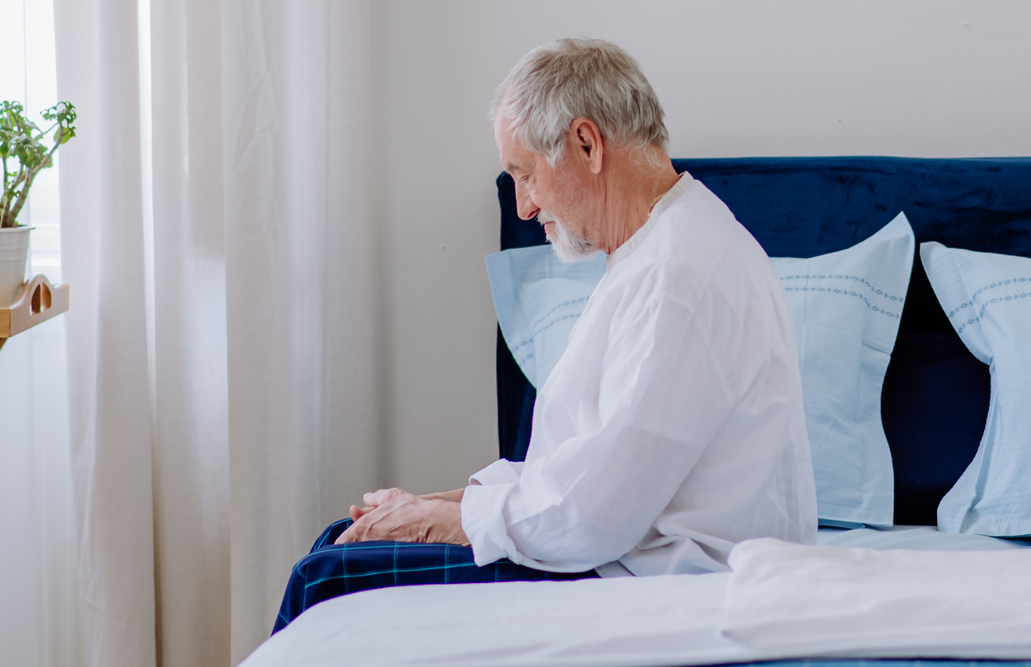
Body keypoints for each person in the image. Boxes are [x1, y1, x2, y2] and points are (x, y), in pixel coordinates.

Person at [273, 38, 817, 630]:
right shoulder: (657, 248)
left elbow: (594, 514)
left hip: (658, 581)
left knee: (326, 577)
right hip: (618, 550)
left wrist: (442, 522)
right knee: (342, 541)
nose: (525, 208)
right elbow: (583, 465)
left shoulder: (677, 276)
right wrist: (441, 505)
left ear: (587, 144)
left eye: (525, 175)